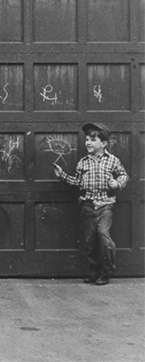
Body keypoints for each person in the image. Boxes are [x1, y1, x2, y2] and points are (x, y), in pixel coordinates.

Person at [53, 122, 128, 285]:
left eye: (93, 140)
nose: (88, 142)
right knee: (89, 241)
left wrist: (117, 183)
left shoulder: (112, 161)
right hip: (88, 205)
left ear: (103, 144)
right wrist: (62, 176)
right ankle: (94, 272)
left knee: (103, 235)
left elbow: (124, 175)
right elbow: (77, 182)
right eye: (87, 139)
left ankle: (106, 272)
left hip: (105, 205)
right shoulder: (83, 163)